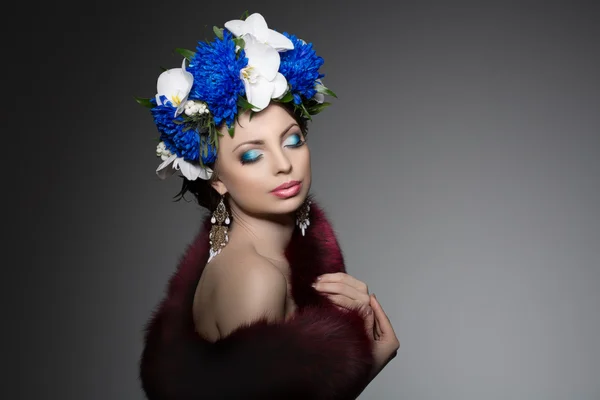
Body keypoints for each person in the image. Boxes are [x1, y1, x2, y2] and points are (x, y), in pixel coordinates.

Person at [136, 12, 399, 399]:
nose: (283, 163)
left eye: (291, 140)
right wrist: (368, 363)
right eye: (250, 156)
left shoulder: (257, 258)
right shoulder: (256, 277)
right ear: (217, 178)